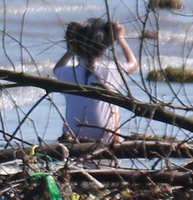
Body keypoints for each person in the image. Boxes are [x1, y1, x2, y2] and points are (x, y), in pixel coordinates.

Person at [52, 16, 138, 144]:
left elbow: (57, 68)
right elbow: (133, 63)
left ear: (76, 48)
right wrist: (120, 38)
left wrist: (72, 48)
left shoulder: (68, 73)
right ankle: (116, 138)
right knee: (113, 102)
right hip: (103, 136)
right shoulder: (110, 71)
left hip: (73, 135)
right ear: (102, 51)